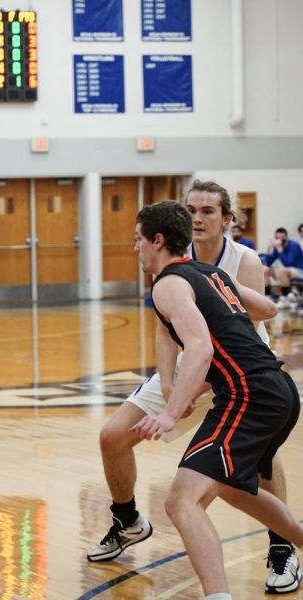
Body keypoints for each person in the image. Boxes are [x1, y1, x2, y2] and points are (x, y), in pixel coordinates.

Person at [88, 181, 300, 594]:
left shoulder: (169, 283)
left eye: (138, 240)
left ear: (159, 240)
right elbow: (269, 308)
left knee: (181, 501)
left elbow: (201, 346)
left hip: (248, 394)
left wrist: (170, 413)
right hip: (275, 387)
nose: (135, 248)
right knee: (235, 491)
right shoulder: (212, 274)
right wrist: (172, 384)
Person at [263, 227, 303, 309]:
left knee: (282, 271)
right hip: (286, 271)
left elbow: (288, 263)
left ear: (286, 237)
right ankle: (267, 296)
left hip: (299, 271)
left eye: (282, 237)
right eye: (277, 238)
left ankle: (285, 299)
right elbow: (268, 263)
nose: (280, 240)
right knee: (265, 269)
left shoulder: (294, 245)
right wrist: (269, 250)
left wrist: (280, 249)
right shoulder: (277, 246)